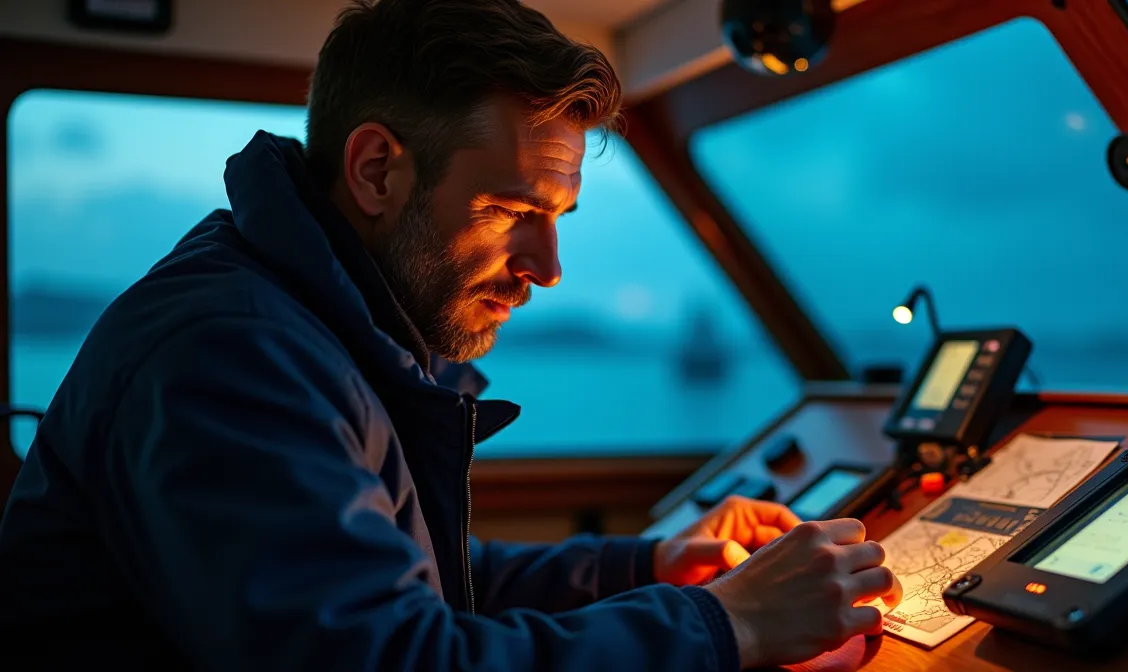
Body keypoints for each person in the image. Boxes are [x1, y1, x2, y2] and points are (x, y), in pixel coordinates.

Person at [0, 0, 902, 669]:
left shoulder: (327, 326)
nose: (548, 267)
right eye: (512, 208)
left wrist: (650, 562)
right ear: (377, 169)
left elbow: (417, 577)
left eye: (558, 218)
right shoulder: (230, 354)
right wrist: (730, 622)